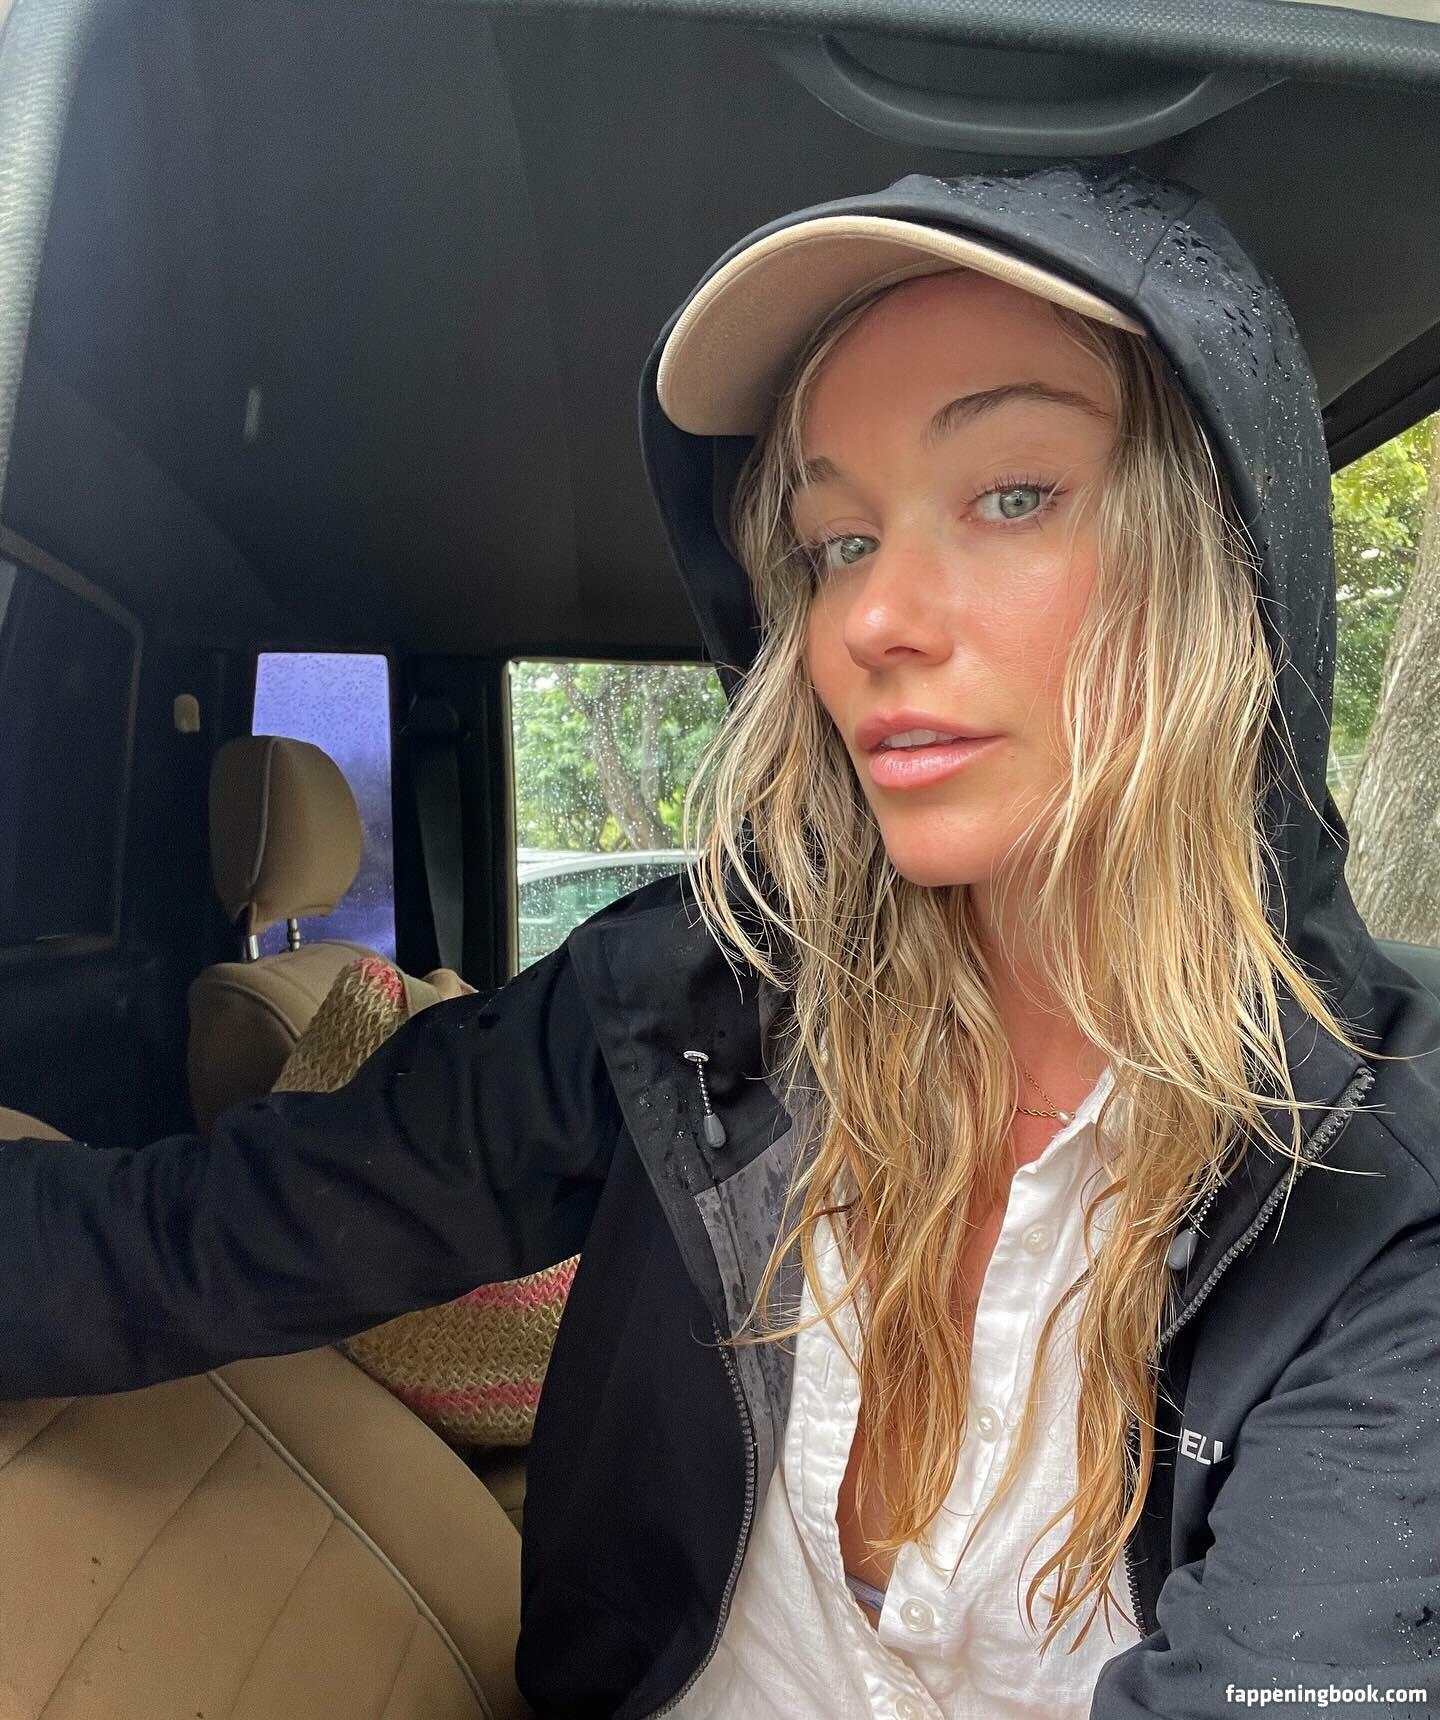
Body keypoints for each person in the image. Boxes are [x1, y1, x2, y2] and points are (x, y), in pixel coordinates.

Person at [1, 163, 1437, 1720]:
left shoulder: (1377, 1202)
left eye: (1013, 495)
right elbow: (207, 1235)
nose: (871, 618)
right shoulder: (693, 998)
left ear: (1228, 556)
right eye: (835, 542)